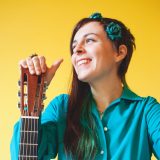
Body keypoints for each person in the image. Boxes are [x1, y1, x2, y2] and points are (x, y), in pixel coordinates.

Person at [10, 12, 160, 160]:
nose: (77, 50)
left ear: (119, 53)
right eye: (74, 46)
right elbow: (25, 156)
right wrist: (34, 94)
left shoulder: (147, 111)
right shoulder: (62, 107)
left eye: (89, 40)